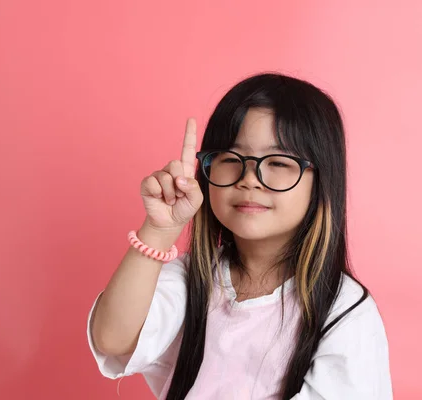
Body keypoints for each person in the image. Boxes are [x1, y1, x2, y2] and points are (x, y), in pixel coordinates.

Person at [87, 73, 393, 399]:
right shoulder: (195, 278)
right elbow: (112, 338)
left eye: (277, 162)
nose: (249, 179)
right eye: (231, 159)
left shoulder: (345, 311)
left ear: (321, 182)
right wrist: (159, 231)